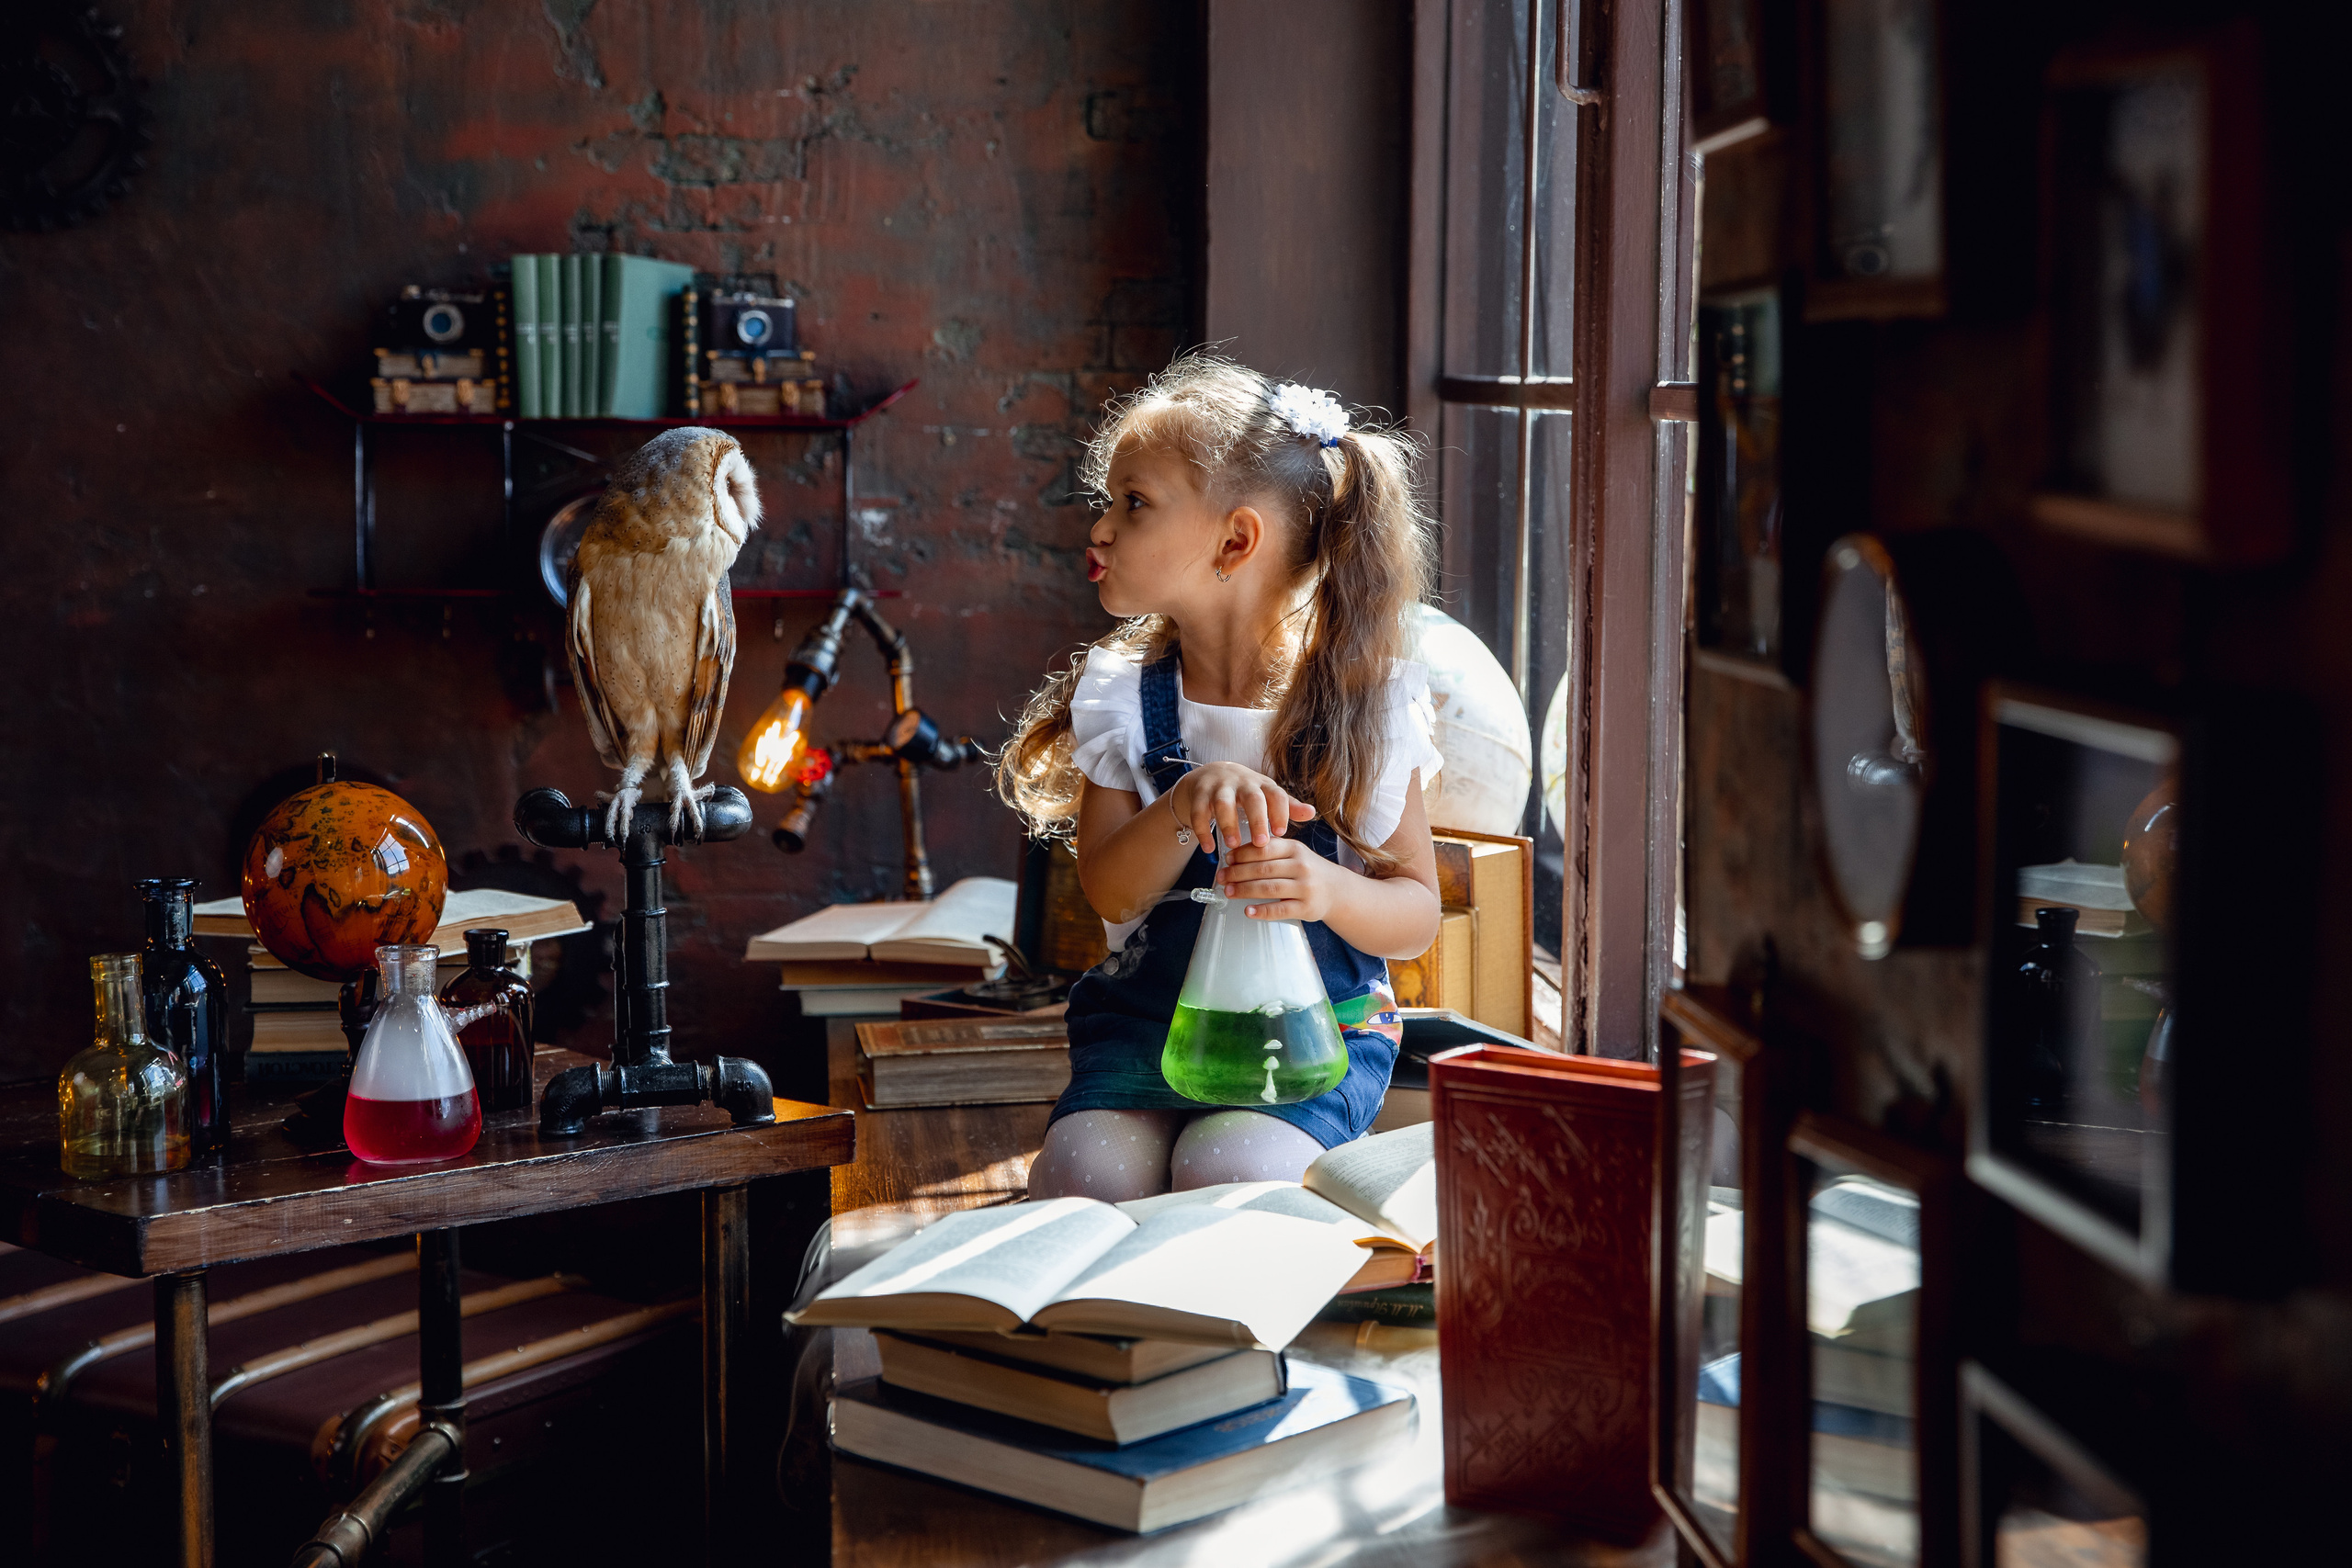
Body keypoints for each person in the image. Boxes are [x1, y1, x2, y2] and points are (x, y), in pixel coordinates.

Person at [996, 353, 1443, 1199]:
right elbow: (1110, 893)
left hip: (1313, 1041)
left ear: (1236, 541)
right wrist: (1178, 806)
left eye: (1133, 503)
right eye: (1108, 502)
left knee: (1229, 1173)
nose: (1101, 528)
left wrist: (1326, 889)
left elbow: (1416, 912)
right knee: (1087, 1175)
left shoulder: (1364, 707)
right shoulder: (1124, 697)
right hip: (1145, 1027)